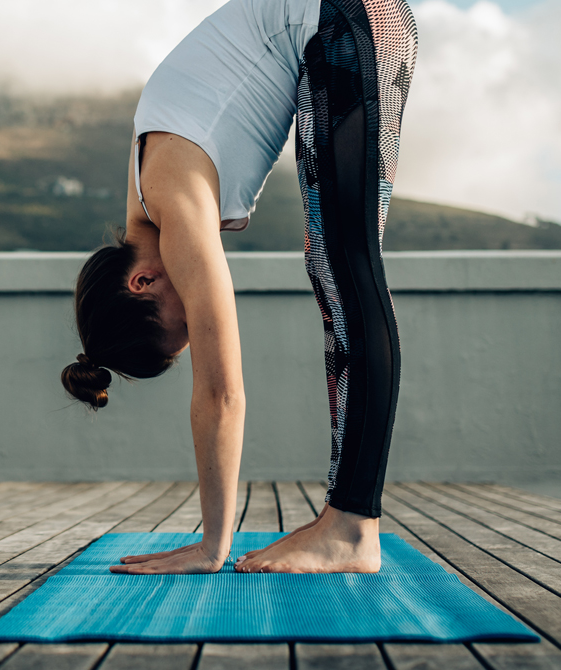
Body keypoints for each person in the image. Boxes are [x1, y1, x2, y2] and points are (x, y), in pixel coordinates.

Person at [60, 0, 417, 574]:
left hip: (342, 21)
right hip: (349, 26)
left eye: (181, 328)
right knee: (337, 268)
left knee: (345, 269)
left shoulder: (171, 202)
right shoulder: (153, 180)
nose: (195, 328)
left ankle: (351, 527)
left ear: (143, 281)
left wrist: (211, 547)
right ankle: (349, 521)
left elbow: (220, 392)